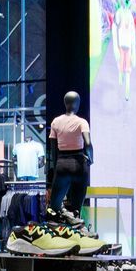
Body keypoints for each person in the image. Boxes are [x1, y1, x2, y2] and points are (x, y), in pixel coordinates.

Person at [47, 91, 92, 219]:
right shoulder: (82, 122)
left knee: (54, 207)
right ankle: (76, 228)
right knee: (77, 207)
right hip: (79, 163)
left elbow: (53, 149)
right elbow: (88, 143)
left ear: (65, 103)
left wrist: (56, 168)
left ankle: (60, 229)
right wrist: (90, 159)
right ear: (77, 104)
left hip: (62, 163)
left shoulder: (56, 121)